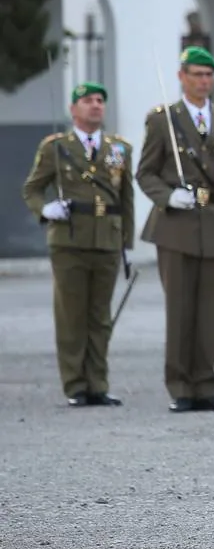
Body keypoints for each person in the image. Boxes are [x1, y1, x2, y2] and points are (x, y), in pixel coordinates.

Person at [135, 46, 214, 413]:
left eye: (209, 75)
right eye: (196, 74)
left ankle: (207, 384)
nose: (204, 81)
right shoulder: (163, 119)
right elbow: (145, 172)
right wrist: (168, 197)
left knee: (209, 310)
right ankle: (180, 385)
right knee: (180, 309)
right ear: (182, 77)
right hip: (177, 227)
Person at [21, 81, 135, 407]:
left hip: (107, 240)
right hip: (69, 240)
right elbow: (32, 188)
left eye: (100, 100)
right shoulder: (56, 147)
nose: (96, 105)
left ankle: (98, 383)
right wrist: (45, 209)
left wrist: (125, 241)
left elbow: (125, 199)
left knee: (100, 316)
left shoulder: (119, 148)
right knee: (72, 315)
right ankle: (75, 385)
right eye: (87, 100)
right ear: (73, 109)